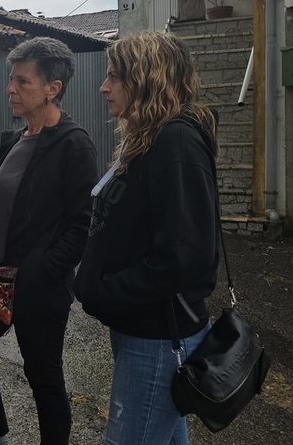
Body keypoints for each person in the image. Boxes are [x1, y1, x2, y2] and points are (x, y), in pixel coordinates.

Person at [0, 37, 99, 445]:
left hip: (36, 289)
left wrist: (43, 271)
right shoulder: (13, 141)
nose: (10, 89)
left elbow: (83, 225)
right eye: (10, 80)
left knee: (43, 377)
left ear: (53, 88)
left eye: (22, 82)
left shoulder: (73, 144)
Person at [73, 31, 221, 445]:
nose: (104, 87)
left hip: (158, 334)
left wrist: (105, 292)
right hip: (143, 327)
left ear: (147, 79)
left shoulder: (176, 141)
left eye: (115, 77)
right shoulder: (149, 138)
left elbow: (185, 256)